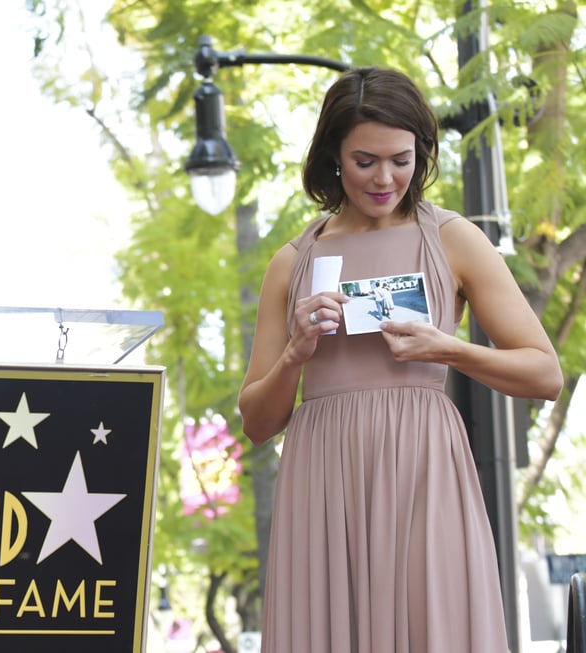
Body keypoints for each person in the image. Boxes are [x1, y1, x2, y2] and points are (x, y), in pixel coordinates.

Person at [237, 67, 561, 652]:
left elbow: (545, 373)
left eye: (402, 159)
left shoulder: (455, 239)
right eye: (366, 161)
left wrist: (448, 348)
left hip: (424, 469)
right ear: (333, 155)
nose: (386, 178)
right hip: (323, 480)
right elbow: (257, 422)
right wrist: (294, 355)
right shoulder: (292, 260)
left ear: (421, 153)